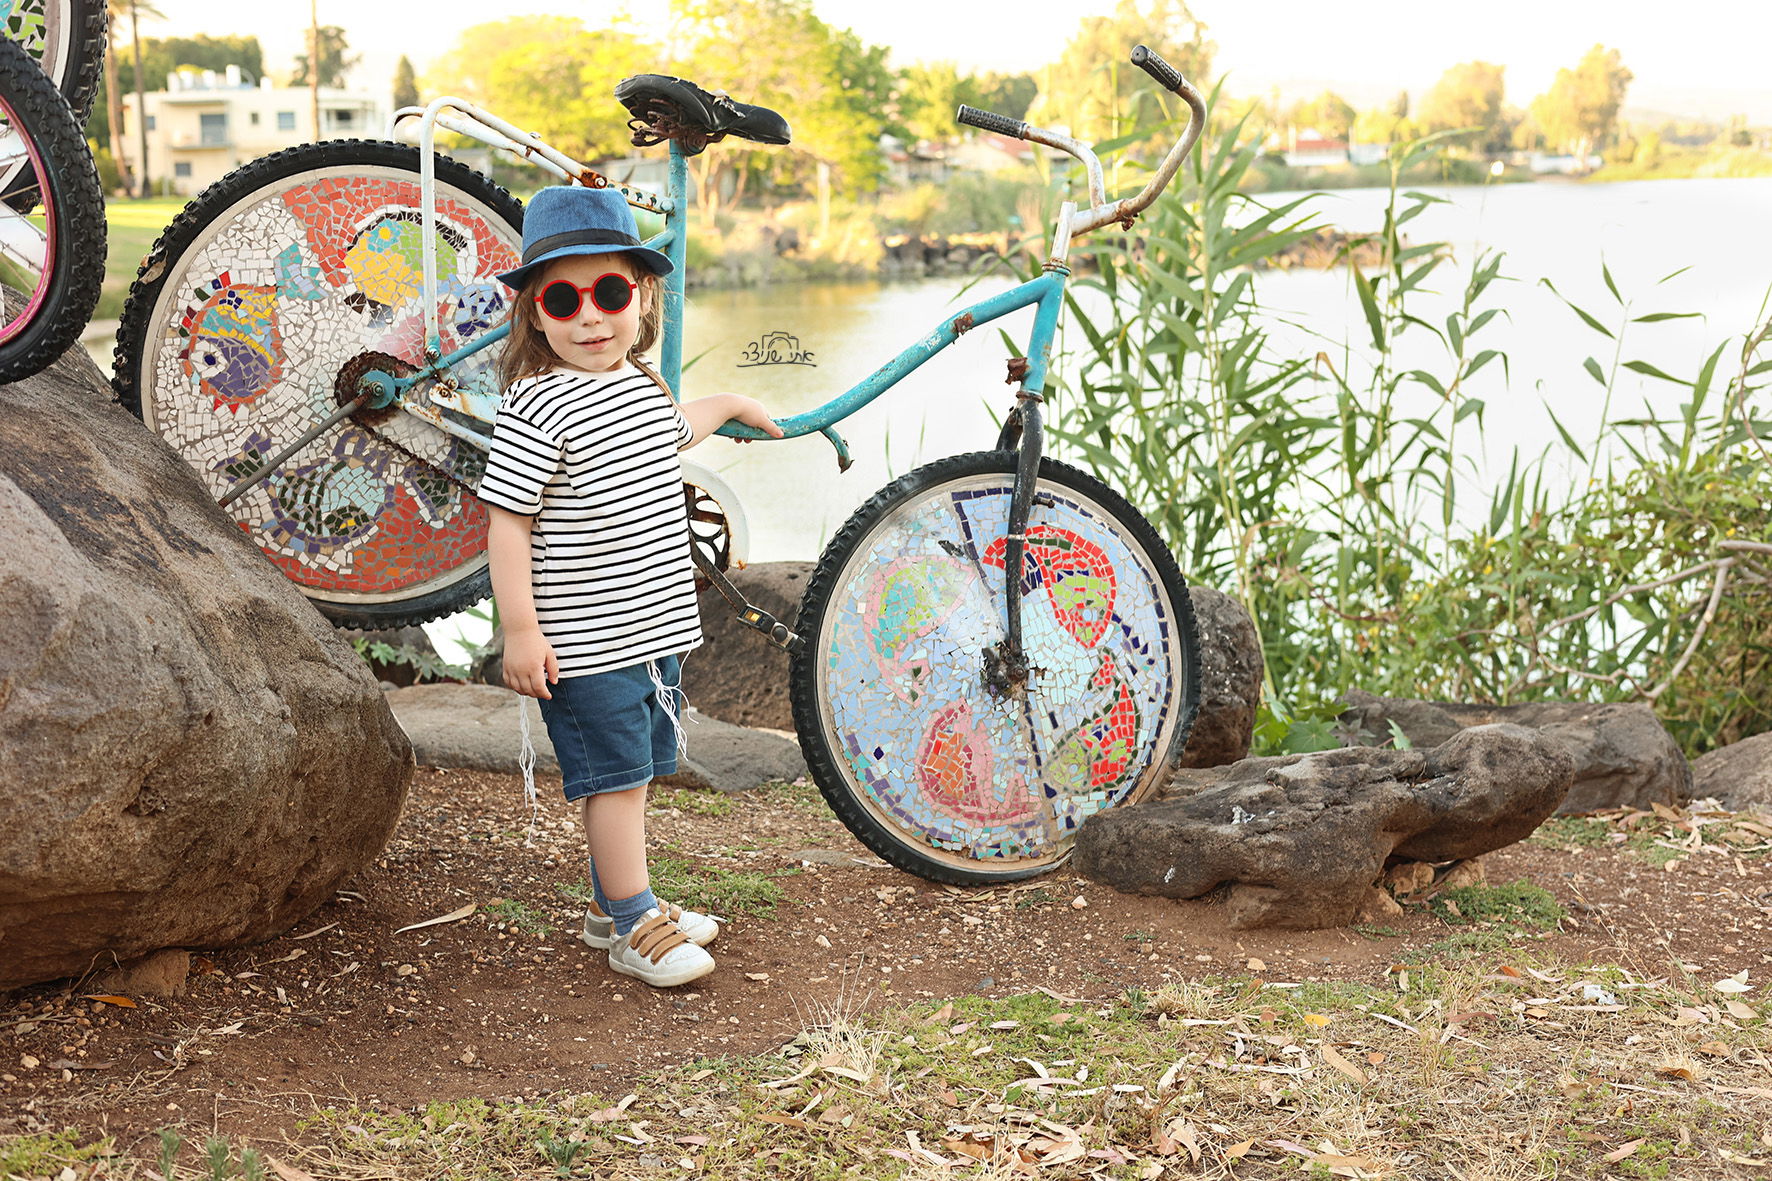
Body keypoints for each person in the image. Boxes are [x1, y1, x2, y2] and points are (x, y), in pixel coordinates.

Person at [476, 186, 782, 988]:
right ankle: (633, 922)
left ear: (640, 298)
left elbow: (684, 423)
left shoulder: (638, 387)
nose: (590, 316)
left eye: (610, 293)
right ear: (535, 313)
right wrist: (521, 631)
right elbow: (508, 525)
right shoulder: (538, 404)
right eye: (564, 298)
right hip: (583, 645)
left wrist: (740, 400)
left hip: (650, 639)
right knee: (616, 780)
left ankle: (610, 904)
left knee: (638, 770)